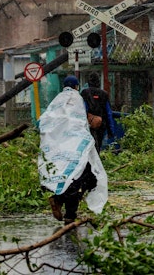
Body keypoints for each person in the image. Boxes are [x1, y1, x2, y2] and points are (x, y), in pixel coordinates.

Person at [38, 75, 108, 224]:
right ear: (77, 86)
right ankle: (69, 213)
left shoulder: (56, 101)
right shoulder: (80, 100)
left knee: (68, 176)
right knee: (83, 177)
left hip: (59, 148)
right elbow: (87, 119)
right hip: (77, 146)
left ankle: (59, 200)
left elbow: (44, 122)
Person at [81, 72, 114, 151]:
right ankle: (96, 161)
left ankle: (89, 162)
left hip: (87, 125)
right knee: (98, 145)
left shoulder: (85, 93)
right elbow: (109, 113)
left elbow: (82, 109)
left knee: (88, 147)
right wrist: (111, 130)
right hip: (100, 125)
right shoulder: (104, 94)